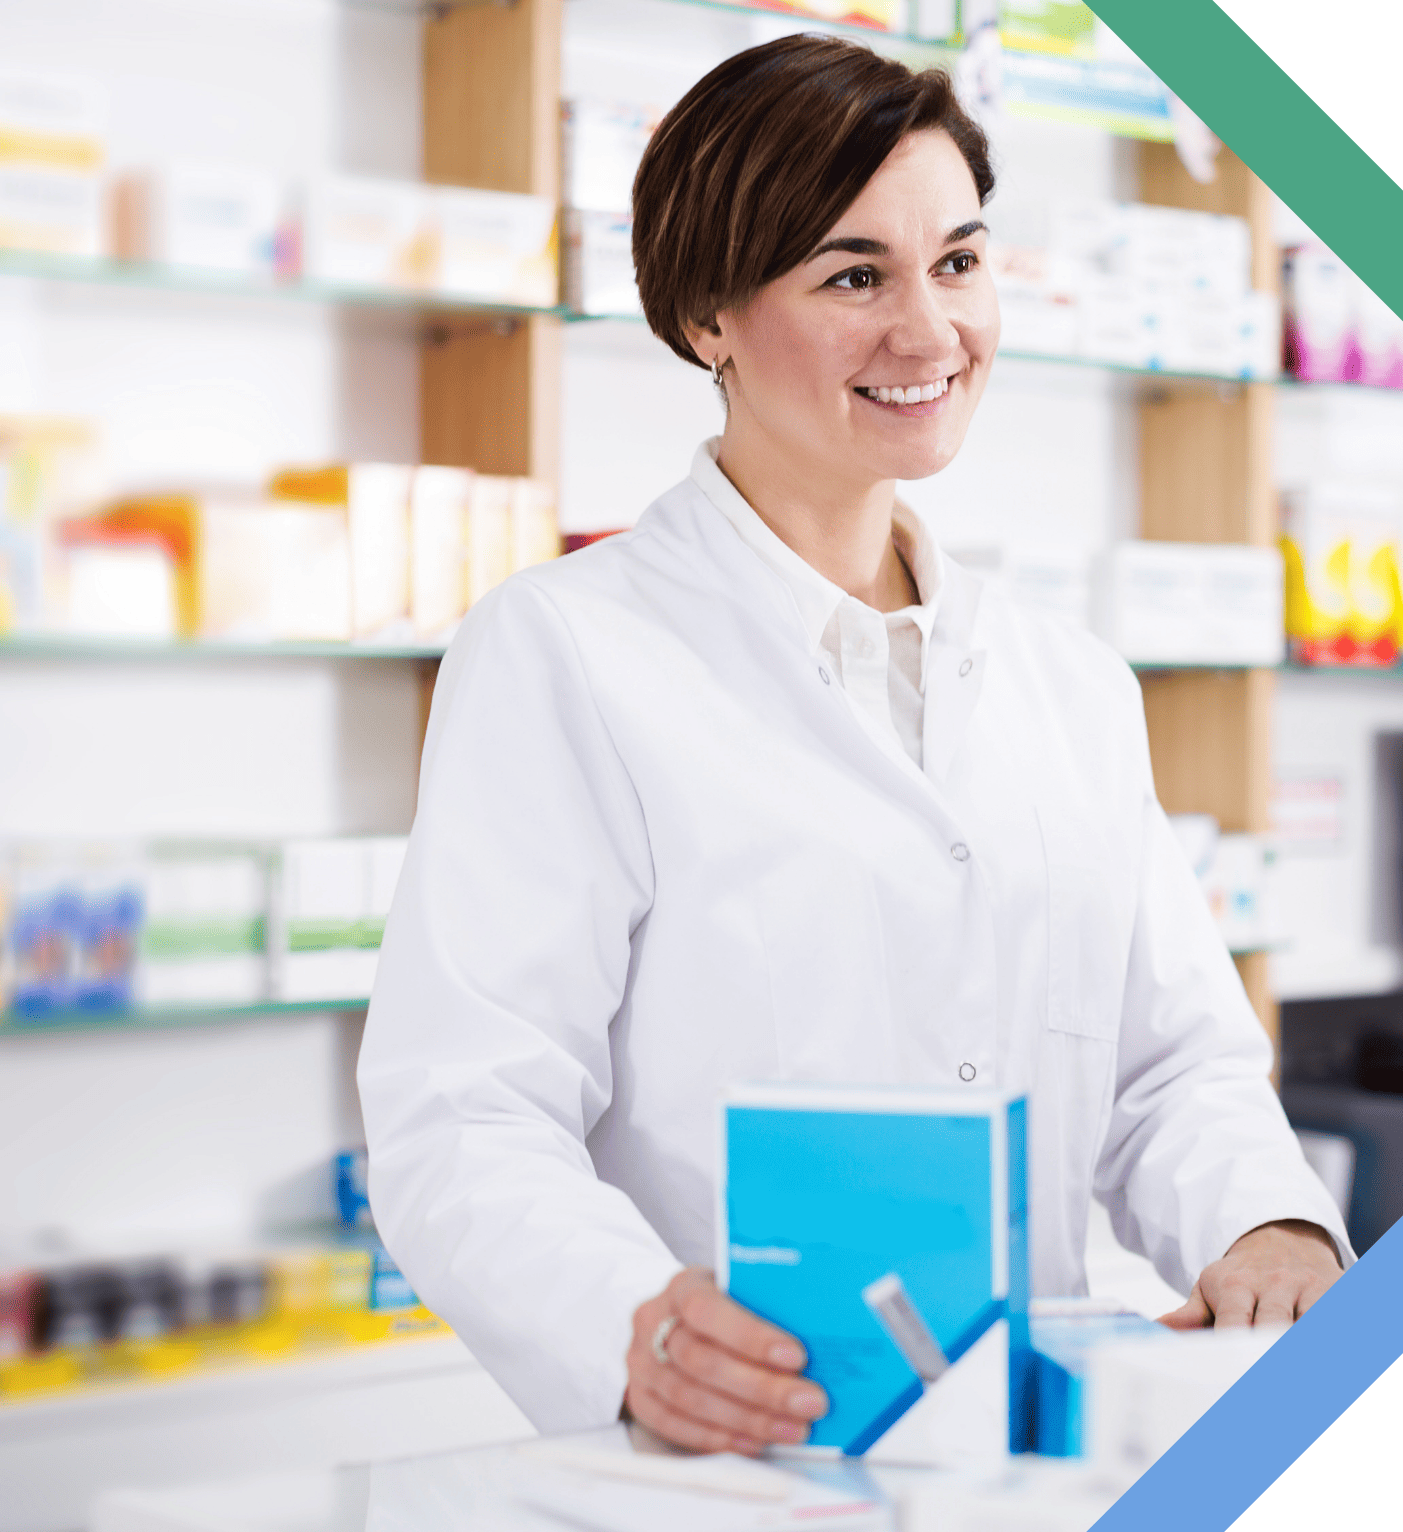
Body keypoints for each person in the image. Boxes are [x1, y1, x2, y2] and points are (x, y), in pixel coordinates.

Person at [358, 34, 1351, 1458]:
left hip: (1030, 1462)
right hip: (735, 1458)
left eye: (957, 261)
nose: (931, 330)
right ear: (708, 317)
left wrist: (1267, 1221)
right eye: (852, 275)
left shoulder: (1068, 679)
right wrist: (632, 1326)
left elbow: (1171, 1065)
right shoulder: (564, 651)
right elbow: (465, 1115)